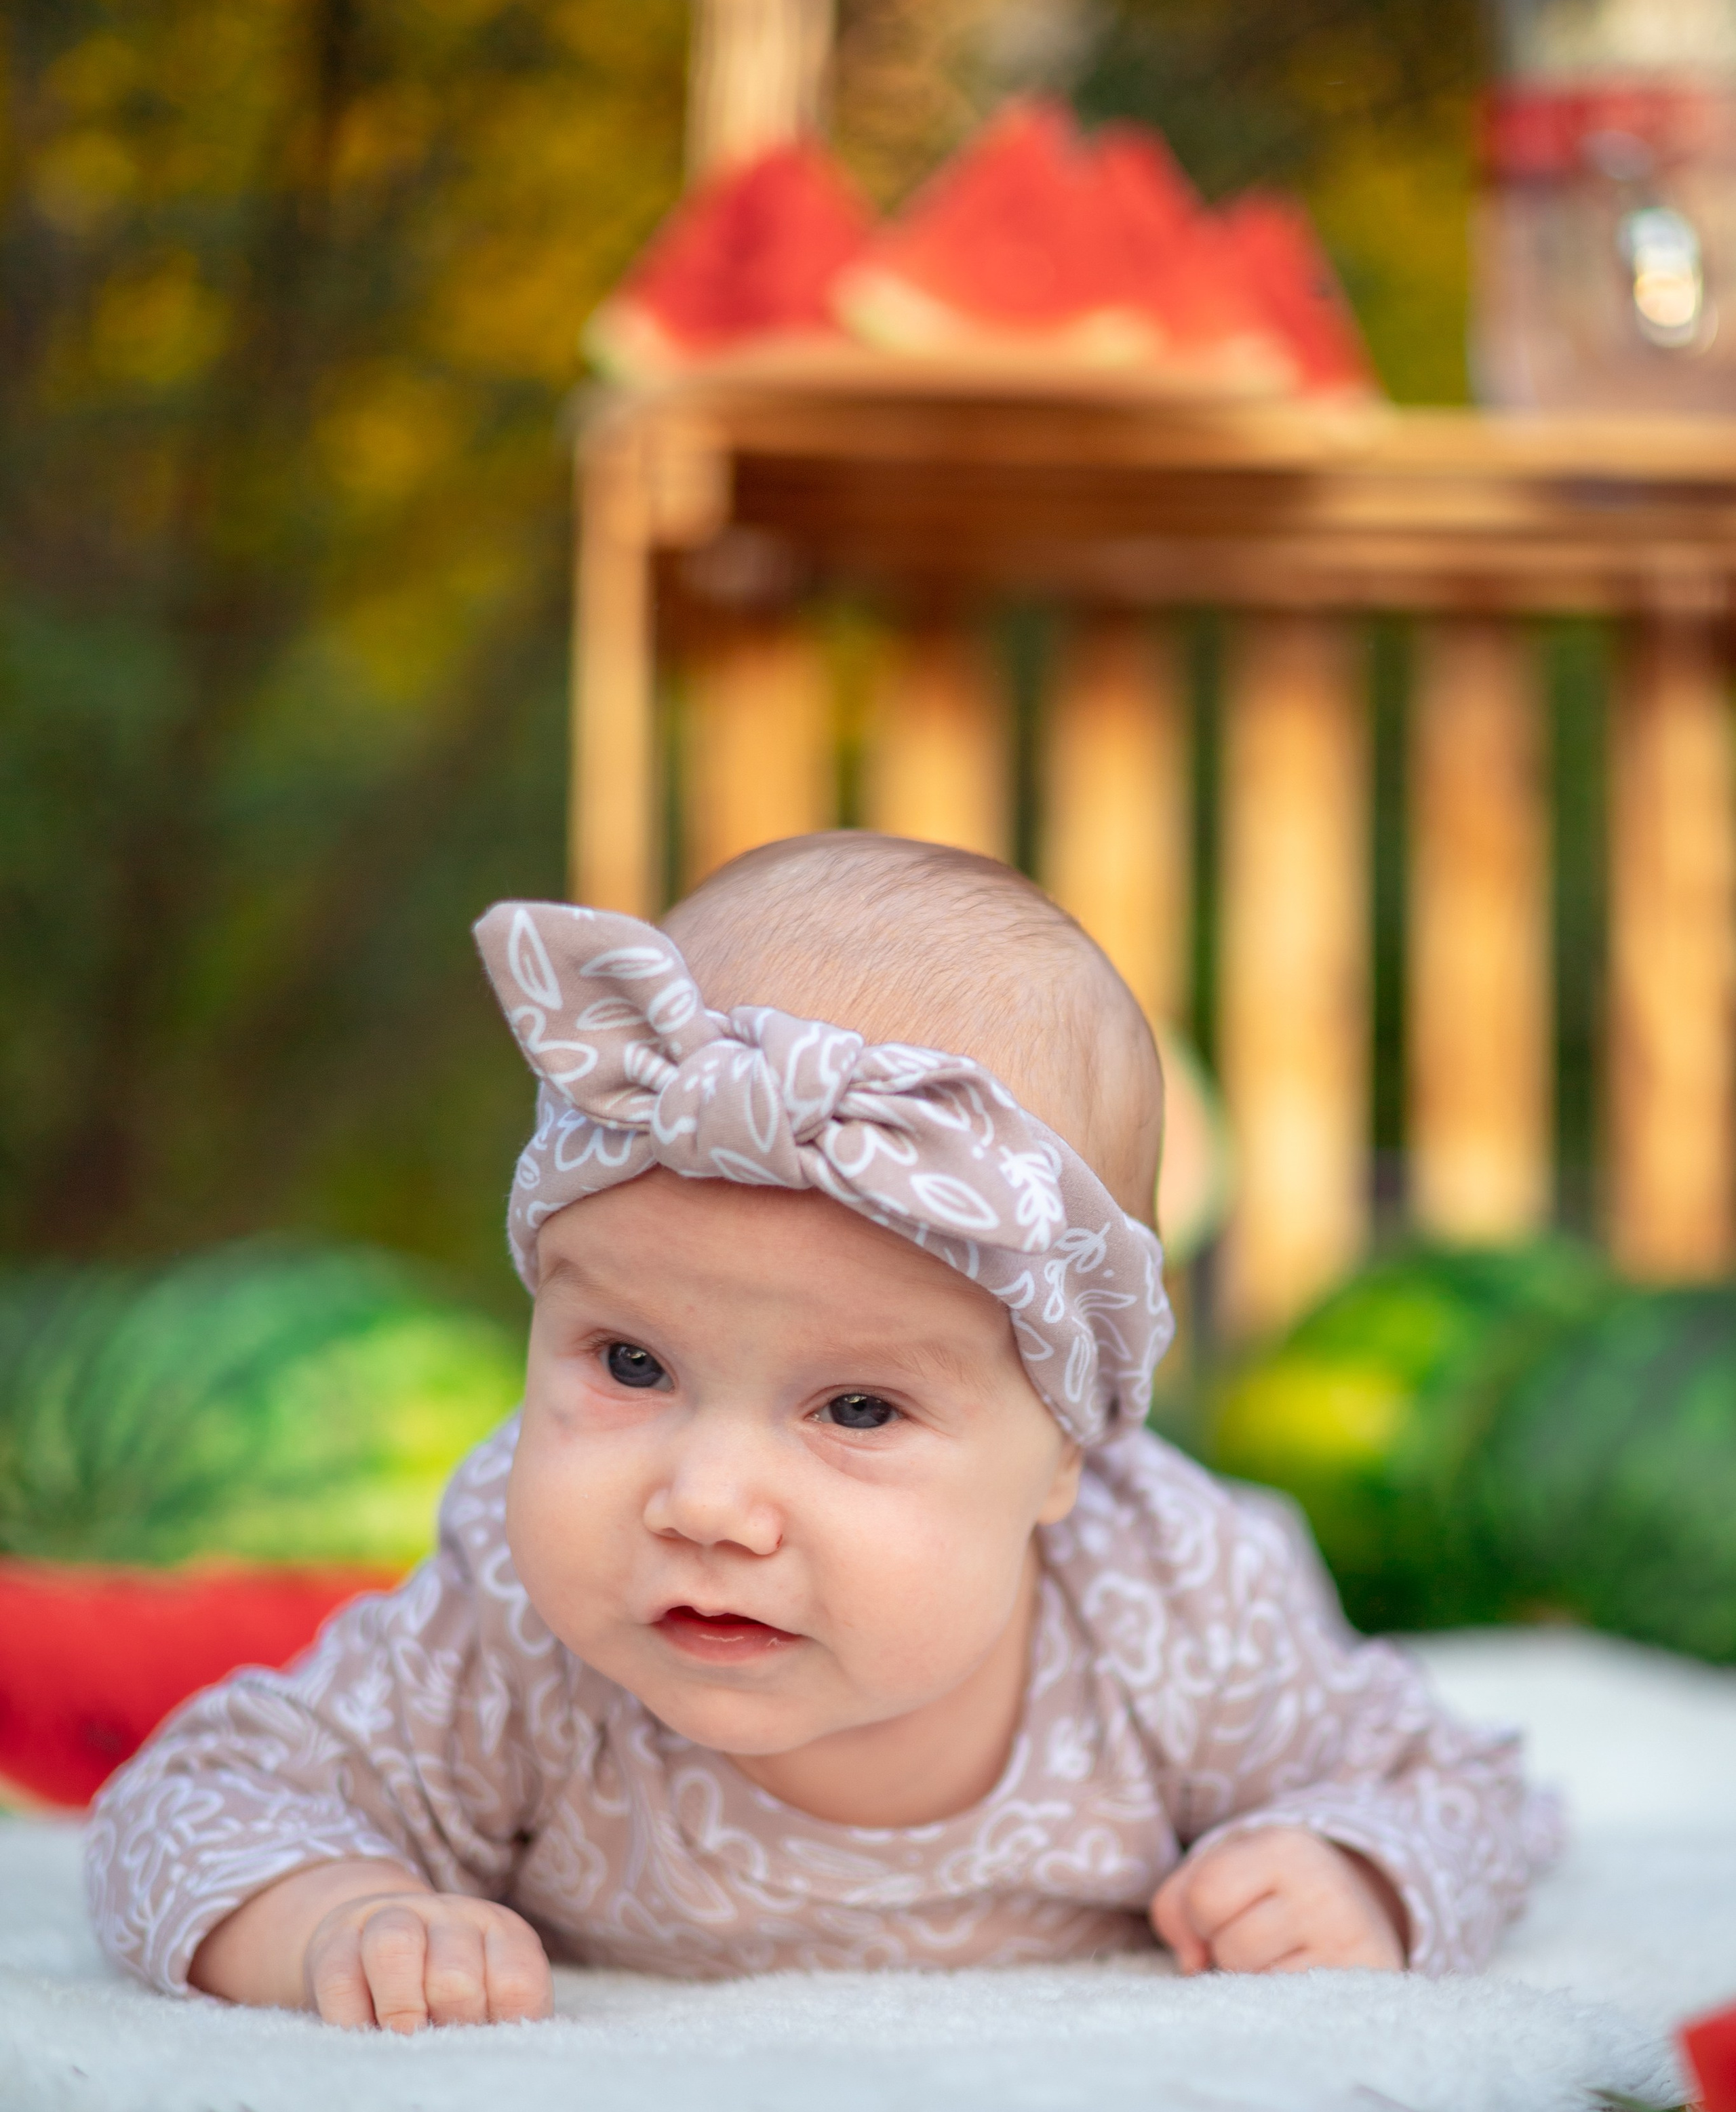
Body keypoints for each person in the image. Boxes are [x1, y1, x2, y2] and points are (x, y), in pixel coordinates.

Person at [86, 833, 1558, 2033]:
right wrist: (333, 1918)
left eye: (855, 1407)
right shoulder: (513, 1632)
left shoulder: (1171, 1604)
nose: (708, 1500)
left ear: (1065, 1448)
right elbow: (198, 1800)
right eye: (633, 1361)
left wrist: (1349, 1871)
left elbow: (1458, 1785)